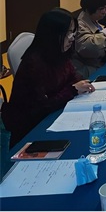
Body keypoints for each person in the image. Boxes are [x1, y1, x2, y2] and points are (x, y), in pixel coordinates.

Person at [2, 8, 95, 146]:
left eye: (73, 32)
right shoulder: (33, 64)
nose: (72, 38)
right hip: (30, 129)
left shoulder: (58, 52)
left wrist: (80, 84)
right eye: (68, 33)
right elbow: (41, 108)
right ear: (53, 34)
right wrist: (73, 90)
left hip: (56, 112)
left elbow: (71, 75)